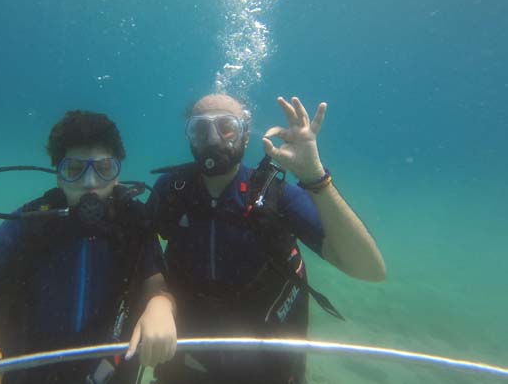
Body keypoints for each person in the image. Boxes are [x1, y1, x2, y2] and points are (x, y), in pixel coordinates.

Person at [0, 110, 176, 384]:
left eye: (104, 169)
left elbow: (157, 289)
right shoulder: (28, 227)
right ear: (58, 176)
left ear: (117, 175)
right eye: (74, 170)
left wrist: (160, 306)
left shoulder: (134, 225)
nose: (90, 183)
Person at [148, 94, 386, 384]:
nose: (212, 139)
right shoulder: (171, 191)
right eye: (200, 129)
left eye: (226, 127)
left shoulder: (275, 195)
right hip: (188, 356)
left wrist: (315, 177)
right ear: (190, 136)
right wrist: (158, 299)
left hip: (266, 361)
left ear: (245, 136)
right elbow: (141, 254)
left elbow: (369, 270)